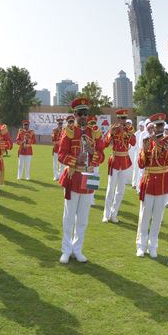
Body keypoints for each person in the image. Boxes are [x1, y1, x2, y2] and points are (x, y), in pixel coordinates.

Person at [57, 97, 105, 264]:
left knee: (83, 217)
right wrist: (75, 159)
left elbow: (102, 155)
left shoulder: (95, 132)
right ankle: (66, 250)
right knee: (69, 216)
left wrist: (93, 152)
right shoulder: (69, 131)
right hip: (73, 176)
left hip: (89, 176)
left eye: (85, 113)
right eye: (80, 113)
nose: (83, 116)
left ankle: (78, 250)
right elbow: (61, 154)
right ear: (75, 114)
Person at [135, 113, 168, 258]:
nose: (159, 128)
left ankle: (153, 246)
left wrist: (155, 141)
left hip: (162, 184)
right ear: (152, 127)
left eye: (161, 125)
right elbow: (141, 164)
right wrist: (145, 149)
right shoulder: (147, 141)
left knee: (158, 217)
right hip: (148, 181)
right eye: (156, 126)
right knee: (145, 215)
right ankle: (141, 245)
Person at [102, 109, 136, 223]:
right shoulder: (113, 128)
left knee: (120, 190)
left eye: (125, 118)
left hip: (125, 161)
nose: (123, 120)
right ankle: (106, 215)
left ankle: (114, 214)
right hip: (115, 159)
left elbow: (133, 142)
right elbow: (105, 144)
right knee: (110, 188)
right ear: (118, 119)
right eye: (121, 118)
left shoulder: (129, 129)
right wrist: (111, 132)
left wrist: (126, 132)